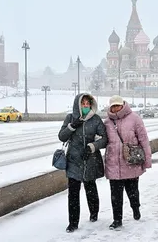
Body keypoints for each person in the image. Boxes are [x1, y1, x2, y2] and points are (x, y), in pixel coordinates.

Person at [58, 93, 107, 233]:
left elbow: (104, 139)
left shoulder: (96, 120)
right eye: (83, 104)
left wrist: (92, 147)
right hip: (74, 161)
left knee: (91, 189)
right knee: (73, 193)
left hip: (90, 160)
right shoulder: (70, 118)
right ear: (77, 105)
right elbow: (61, 136)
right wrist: (72, 126)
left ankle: (94, 213)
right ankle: (73, 222)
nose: (85, 106)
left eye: (88, 104)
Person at [104, 95, 152, 230]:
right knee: (115, 196)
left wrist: (147, 160)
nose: (115, 108)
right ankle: (117, 220)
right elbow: (103, 141)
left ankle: (136, 208)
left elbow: (144, 140)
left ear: (123, 104)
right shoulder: (107, 122)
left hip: (131, 163)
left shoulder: (135, 118)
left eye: (117, 105)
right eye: (113, 106)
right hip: (113, 164)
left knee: (133, 192)